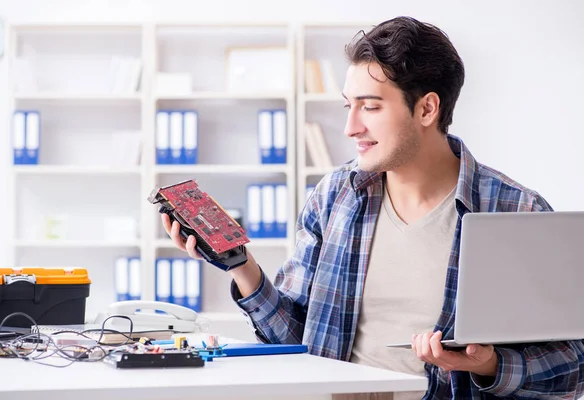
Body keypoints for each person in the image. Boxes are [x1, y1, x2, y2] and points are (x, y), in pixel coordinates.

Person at [161, 16, 584, 400]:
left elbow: (575, 364)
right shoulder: (333, 197)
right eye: (350, 105)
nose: (351, 127)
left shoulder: (514, 210)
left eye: (371, 106)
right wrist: (242, 266)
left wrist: (491, 365)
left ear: (427, 108)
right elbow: (294, 342)